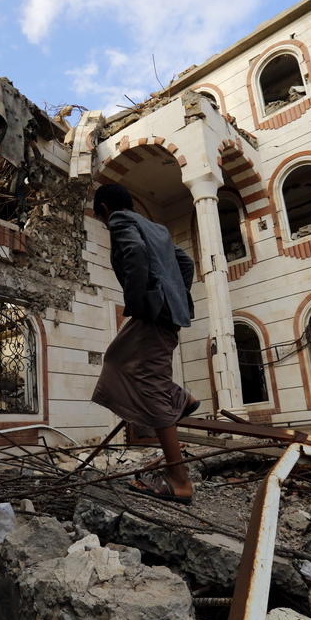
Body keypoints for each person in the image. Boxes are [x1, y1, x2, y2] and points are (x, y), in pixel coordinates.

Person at [91, 183, 199, 504]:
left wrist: (139, 302)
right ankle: (180, 398)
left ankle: (179, 480)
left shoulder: (120, 222)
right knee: (116, 358)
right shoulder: (156, 228)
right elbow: (186, 265)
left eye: (101, 218)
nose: (104, 224)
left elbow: (135, 253)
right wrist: (174, 299)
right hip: (165, 311)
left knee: (149, 383)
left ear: (106, 210)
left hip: (152, 313)